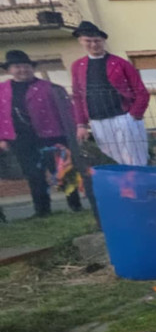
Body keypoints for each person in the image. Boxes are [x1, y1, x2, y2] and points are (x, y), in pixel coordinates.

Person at [0, 49, 90, 218]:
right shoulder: (2, 91)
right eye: (17, 67)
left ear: (31, 68)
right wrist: (2, 138)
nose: (22, 70)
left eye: (26, 66)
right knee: (33, 175)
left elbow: (67, 112)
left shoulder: (51, 88)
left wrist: (73, 133)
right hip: (20, 139)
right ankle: (42, 210)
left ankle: (75, 205)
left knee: (63, 171)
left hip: (52, 136)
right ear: (9, 70)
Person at [70, 21, 150, 166]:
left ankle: (139, 186)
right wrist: (81, 124)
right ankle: (124, 188)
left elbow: (141, 91)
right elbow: (77, 96)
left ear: (103, 41)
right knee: (112, 159)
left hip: (123, 117)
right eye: (88, 41)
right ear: (81, 41)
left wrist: (133, 116)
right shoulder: (77, 66)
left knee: (135, 158)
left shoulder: (120, 63)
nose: (93, 45)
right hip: (97, 120)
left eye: (97, 41)